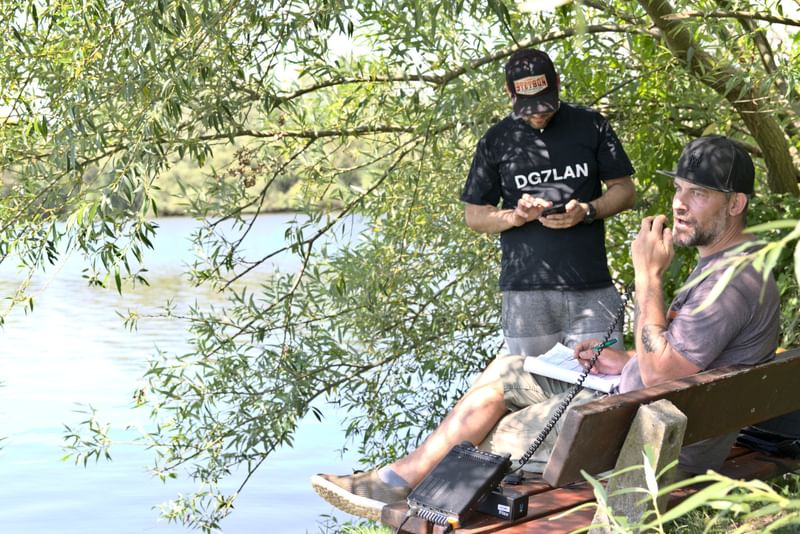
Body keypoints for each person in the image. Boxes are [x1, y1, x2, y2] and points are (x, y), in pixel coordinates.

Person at [311, 136, 779, 523]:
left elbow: (662, 377)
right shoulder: (734, 265)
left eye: (698, 194)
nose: (678, 204)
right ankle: (396, 478)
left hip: (652, 443)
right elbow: (682, 361)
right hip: (648, 409)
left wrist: (647, 277)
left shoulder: (733, 283)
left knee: (489, 433)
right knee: (510, 369)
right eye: (678, 189)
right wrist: (629, 360)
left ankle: (400, 490)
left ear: (736, 203)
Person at [460, 48, 636, 358]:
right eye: (529, 108)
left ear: (557, 82)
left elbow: (625, 190)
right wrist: (515, 216)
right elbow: (474, 215)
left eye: (545, 104)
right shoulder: (496, 140)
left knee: (607, 381)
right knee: (531, 383)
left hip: (592, 287)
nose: (538, 114)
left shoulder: (591, 124)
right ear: (510, 93)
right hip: (525, 296)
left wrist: (588, 211)